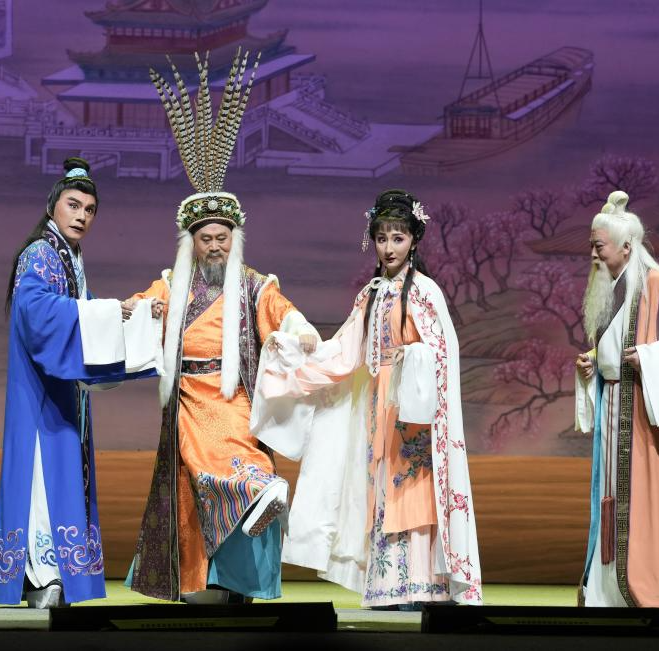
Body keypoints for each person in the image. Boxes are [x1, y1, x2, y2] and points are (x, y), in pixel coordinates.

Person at [123, 50, 319, 604]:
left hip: (233, 397)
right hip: (188, 396)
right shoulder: (174, 283)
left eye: (222, 238)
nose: (214, 246)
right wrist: (130, 309)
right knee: (195, 486)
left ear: (235, 240)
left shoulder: (253, 284)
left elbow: (284, 312)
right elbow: (144, 304)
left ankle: (246, 559)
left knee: (241, 467)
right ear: (192, 243)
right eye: (205, 238)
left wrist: (303, 331)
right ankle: (201, 583)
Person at [251, 190, 483, 609]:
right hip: (379, 407)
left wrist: (414, 361)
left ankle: (424, 585)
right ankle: (389, 587)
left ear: (414, 240)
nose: (389, 247)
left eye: (398, 238)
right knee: (381, 490)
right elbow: (344, 354)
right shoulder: (370, 295)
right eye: (381, 238)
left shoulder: (425, 292)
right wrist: (292, 363)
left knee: (414, 492)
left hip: (415, 410)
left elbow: (442, 354)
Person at [0, 158, 163, 608]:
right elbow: (37, 312)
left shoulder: (69, 257)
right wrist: (106, 311)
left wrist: (129, 314)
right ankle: (42, 575)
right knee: (41, 481)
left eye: (89, 209)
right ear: (53, 206)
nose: (82, 215)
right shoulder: (39, 254)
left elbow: (84, 313)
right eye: (73, 205)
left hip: (64, 393)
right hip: (41, 393)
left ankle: (55, 576)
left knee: (61, 478)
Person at [575, 190, 659, 608]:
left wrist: (650, 358)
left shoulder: (658, 285)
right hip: (616, 408)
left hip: (646, 415)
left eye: (599, 247)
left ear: (626, 248)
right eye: (592, 246)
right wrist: (594, 363)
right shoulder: (612, 289)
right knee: (611, 498)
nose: (593, 255)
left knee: (650, 505)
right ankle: (608, 594)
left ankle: (656, 591)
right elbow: (614, 348)